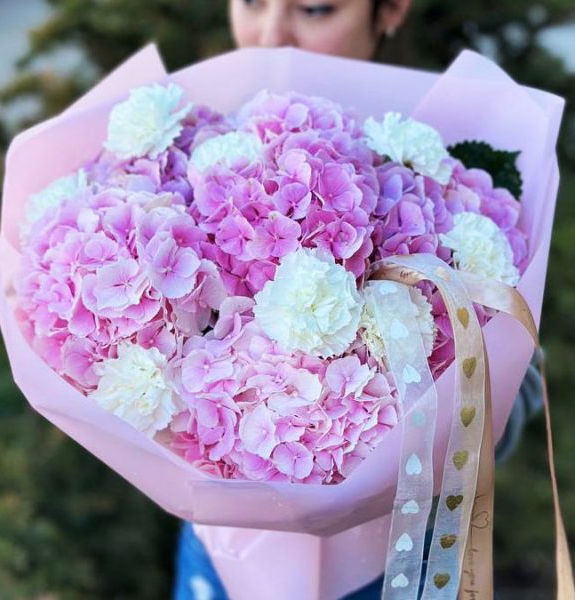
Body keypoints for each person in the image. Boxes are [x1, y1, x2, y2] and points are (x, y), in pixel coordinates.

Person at [174, 2, 544, 598]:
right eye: (250, 1)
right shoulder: (197, 143)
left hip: (393, 561)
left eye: (315, 8)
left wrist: (411, 429)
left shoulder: (448, 159)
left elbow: (519, 389)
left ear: (391, 8)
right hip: (221, 555)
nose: (271, 37)